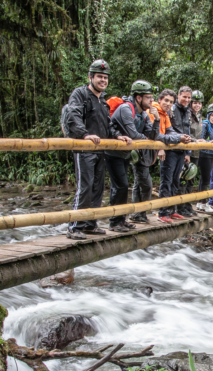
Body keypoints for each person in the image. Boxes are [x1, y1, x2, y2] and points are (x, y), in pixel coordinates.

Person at [62, 59, 131, 240]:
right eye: (99, 77)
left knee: (98, 188)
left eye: (105, 77)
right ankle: (75, 225)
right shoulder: (80, 94)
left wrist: (117, 136)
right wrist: (84, 135)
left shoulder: (104, 103)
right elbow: (73, 116)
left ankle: (90, 224)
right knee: (84, 187)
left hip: (101, 150)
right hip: (84, 149)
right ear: (90, 77)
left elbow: (108, 125)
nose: (103, 80)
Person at [108, 80, 159, 226]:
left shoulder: (143, 114)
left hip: (125, 153)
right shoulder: (126, 109)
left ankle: (121, 220)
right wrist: (146, 140)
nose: (151, 101)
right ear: (138, 97)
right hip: (113, 152)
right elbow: (133, 133)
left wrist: (157, 120)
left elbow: (152, 135)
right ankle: (115, 222)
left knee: (122, 187)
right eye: (149, 97)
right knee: (120, 186)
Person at [151, 88, 192, 223]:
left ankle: (172, 210)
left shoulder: (166, 114)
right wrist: (162, 146)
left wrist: (182, 137)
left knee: (175, 181)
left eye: (170, 101)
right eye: (166, 100)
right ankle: (162, 212)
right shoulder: (154, 111)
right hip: (168, 151)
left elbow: (170, 131)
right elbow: (156, 134)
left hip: (179, 149)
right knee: (166, 182)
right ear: (160, 100)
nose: (168, 103)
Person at [179, 90, 204, 216]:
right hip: (187, 151)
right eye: (195, 103)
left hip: (196, 152)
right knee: (184, 180)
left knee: (191, 180)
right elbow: (186, 132)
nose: (197, 105)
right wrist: (195, 141)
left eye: (199, 103)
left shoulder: (199, 117)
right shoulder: (187, 114)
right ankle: (181, 207)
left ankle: (188, 205)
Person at [196, 103, 213, 212]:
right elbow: (200, 139)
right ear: (208, 115)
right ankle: (203, 203)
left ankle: (201, 202)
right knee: (205, 178)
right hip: (204, 154)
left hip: (211, 154)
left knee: (204, 179)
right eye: (212, 115)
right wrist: (210, 142)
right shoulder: (206, 124)